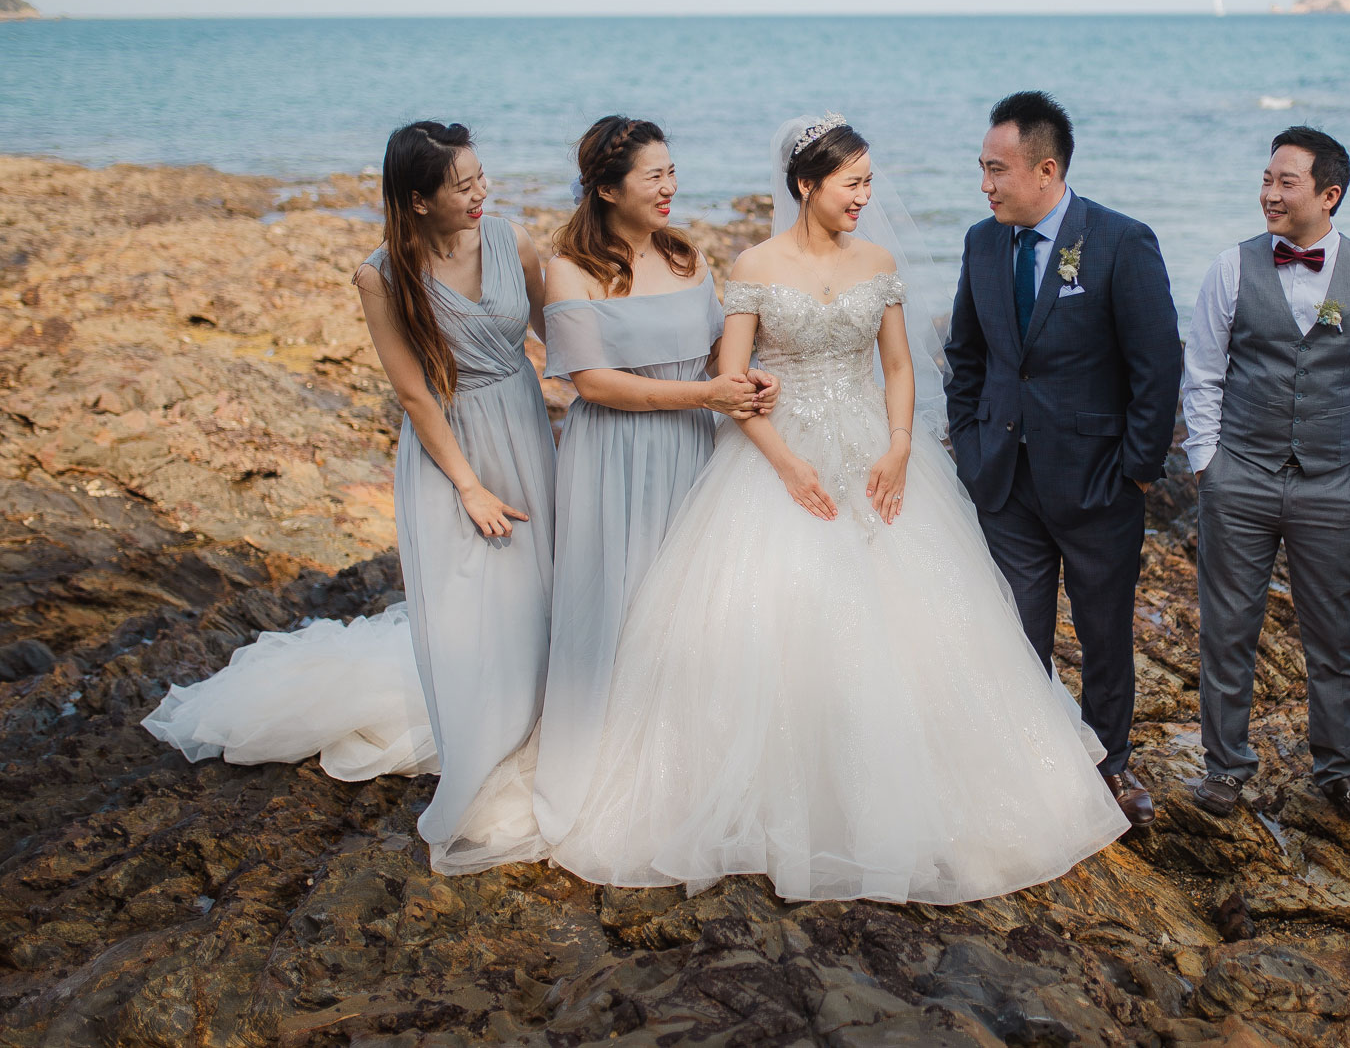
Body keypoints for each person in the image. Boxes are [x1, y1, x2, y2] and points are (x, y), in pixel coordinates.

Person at [546, 115, 1129, 903]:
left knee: (922, 627)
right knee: (775, 623)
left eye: (867, 181)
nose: (864, 195)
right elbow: (733, 382)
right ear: (805, 186)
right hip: (778, 462)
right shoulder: (752, 263)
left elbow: (897, 365)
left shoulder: (879, 262)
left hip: (874, 459)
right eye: (850, 181)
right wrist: (785, 462)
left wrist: (897, 445)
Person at [145, 121, 555, 874]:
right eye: (462, 185)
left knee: (537, 590)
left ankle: (538, 731)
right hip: (449, 451)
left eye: (480, 177)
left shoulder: (511, 240)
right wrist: (468, 486)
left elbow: (559, 329)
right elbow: (413, 391)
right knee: (469, 602)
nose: (480, 193)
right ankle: (482, 747)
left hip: (526, 428)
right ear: (418, 198)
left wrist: (583, 395)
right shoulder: (383, 275)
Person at [532, 115, 777, 849]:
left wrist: (743, 383)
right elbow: (595, 384)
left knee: (687, 603)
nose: (670, 186)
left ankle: (686, 758)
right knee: (622, 594)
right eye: (653, 175)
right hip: (615, 454)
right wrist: (705, 397)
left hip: (690, 452)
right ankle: (608, 758)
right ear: (607, 188)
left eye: (672, 171)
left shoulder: (685, 254)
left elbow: (709, 359)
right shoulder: (569, 269)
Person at [944, 91, 1182, 827]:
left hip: (1099, 481)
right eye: (982, 169)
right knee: (1015, 631)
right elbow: (966, 354)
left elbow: (1157, 364)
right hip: (1004, 480)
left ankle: (1110, 761)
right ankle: (1024, 761)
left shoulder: (1120, 241)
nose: (985, 185)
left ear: (1046, 169)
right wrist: (972, 440)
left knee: (1105, 632)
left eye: (997, 169)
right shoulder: (983, 242)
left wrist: (1138, 468)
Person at [1179, 127, 1350, 828]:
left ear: (1328, 194)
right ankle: (1225, 767)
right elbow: (1203, 372)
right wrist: (1207, 463)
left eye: (1286, 182)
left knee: (1334, 635)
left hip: (1333, 486)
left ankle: (1341, 769)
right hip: (1239, 477)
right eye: (1266, 178)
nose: (1269, 193)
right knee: (1227, 627)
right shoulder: (1231, 266)